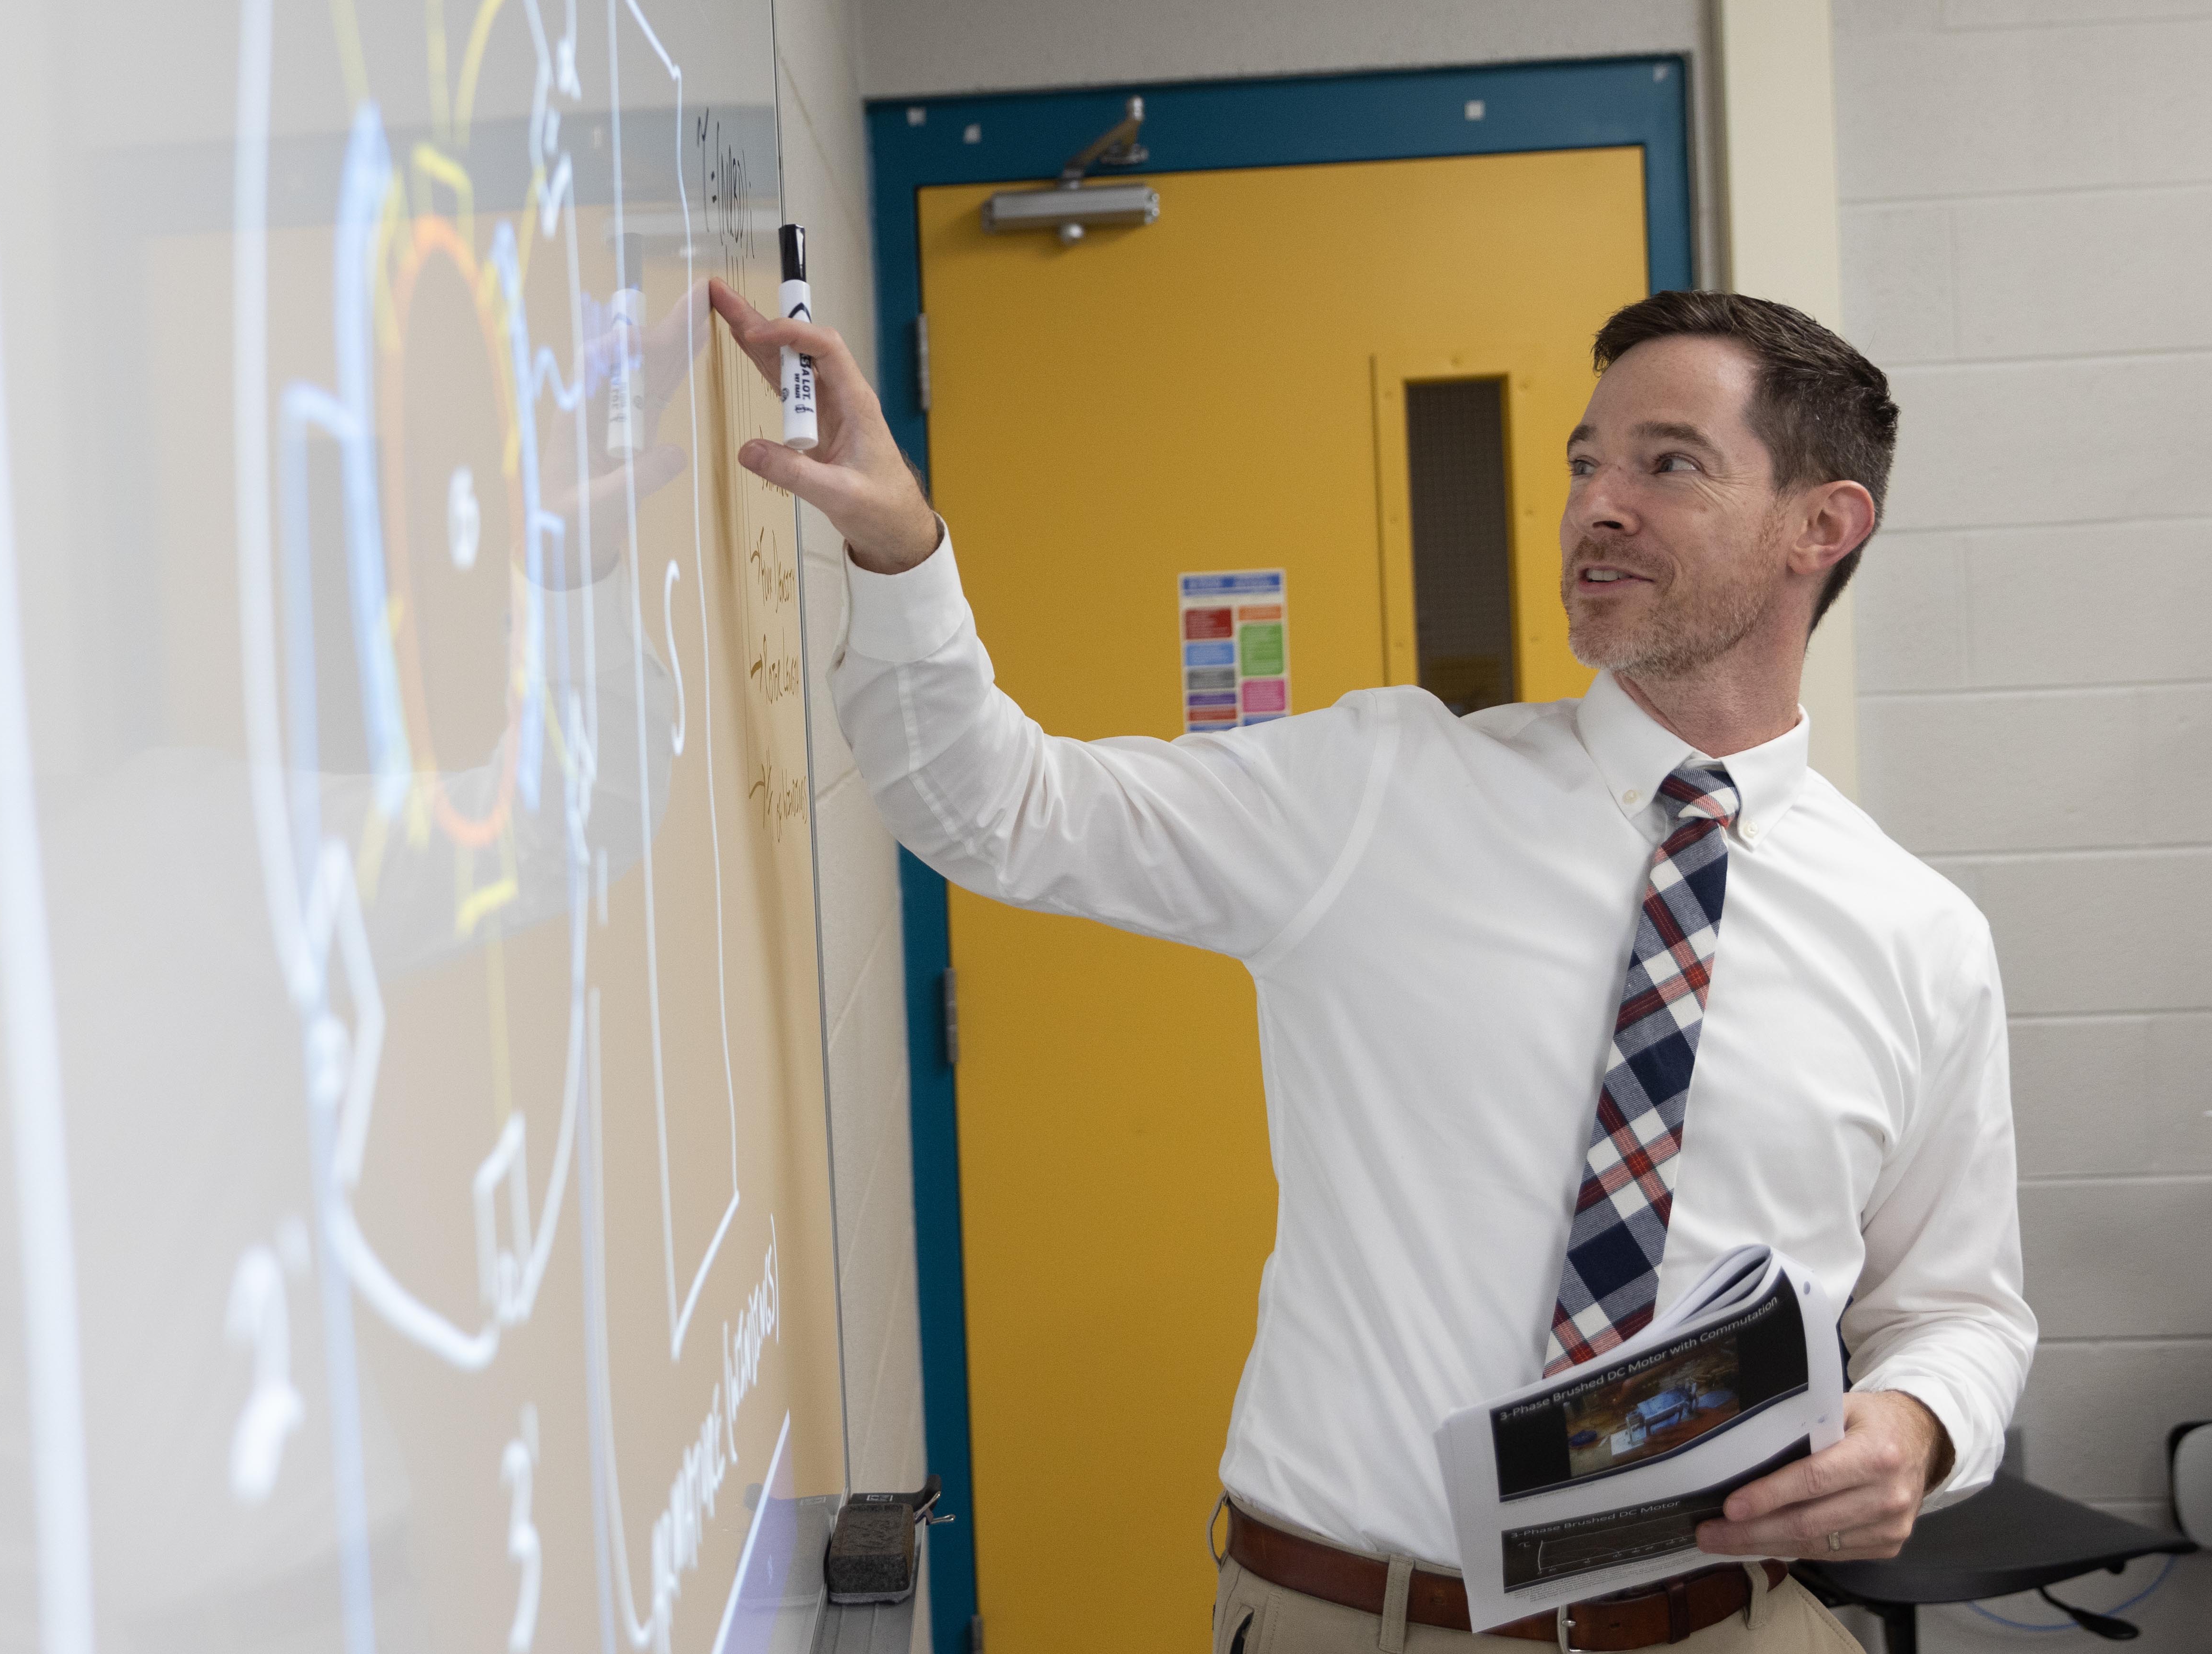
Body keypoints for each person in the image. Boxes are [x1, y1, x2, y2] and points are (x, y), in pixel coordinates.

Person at [715, 282, 2028, 1653]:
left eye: (1669, 464)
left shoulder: (1915, 937)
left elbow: (1959, 1308)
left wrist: (1919, 1427)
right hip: (1366, 1620)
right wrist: (899, 546)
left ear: (1824, 527)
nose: (1599, 503)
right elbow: (998, 807)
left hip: (1729, 1628)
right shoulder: (1381, 793)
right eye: (1588, 462)